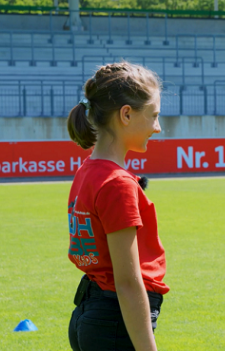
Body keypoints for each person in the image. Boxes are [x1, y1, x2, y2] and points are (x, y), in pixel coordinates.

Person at [66, 62, 168, 351]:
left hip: (93, 314)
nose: (157, 128)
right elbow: (127, 281)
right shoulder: (117, 183)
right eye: (154, 116)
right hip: (114, 322)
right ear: (126, 114)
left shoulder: (88, 170)